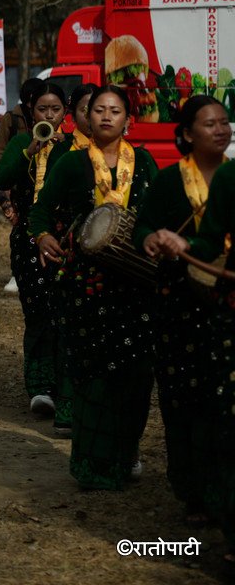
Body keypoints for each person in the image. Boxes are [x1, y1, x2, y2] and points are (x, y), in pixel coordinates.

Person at [29, 85, 159, 491]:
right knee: (91, 374)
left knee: (135, 375)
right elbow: (41, 209)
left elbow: (158, 215)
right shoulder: (70, 164)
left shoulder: (145, 162)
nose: (105, 116)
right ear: (87, 117)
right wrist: (43, 236)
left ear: (128, 120)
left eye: (115, 110)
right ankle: (90, 463)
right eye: (98, 109)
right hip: (86, 284)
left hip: (136, 285)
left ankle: (127, 451)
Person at [135, 95, 230, 525]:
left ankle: (220, 491)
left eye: (225, 122)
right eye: (210, 124)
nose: (221, 130)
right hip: (179, 304)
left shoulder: (231, 178)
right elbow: (143, 224)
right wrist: (151, 238)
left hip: (226, 304)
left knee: (222, 403)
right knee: (183, 401)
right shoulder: (170, 181)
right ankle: (192, 491)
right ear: (188, 134)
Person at [0, 82, 70, 417]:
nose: (49, 115)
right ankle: (39, 387)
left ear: (64, 112)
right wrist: (31, 151)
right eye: (42, 109)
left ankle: (63, 383)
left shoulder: (74, 148)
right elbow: (2, 177)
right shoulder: (21, 142)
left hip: (65, 242)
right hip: (27, 242)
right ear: (31, 112)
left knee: (64, 312)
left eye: (55, 109)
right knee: (37, 313)